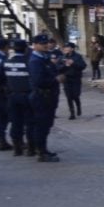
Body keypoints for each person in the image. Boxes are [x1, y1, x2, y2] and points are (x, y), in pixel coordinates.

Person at [28, 34, 60, 162]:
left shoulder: (45, 57)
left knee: (46, 125)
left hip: (48, 96)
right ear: (35, 45)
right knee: (41, 125)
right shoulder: (35, 61)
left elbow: (52, 70)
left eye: (46, 43)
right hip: (41, 97)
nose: (46, 45)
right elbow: (39, 81)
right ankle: (41, 152)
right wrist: (55, 79)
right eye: (42, 44)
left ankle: (43, 149)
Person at [1, 39, 34, 156]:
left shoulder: (6, 62)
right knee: (30, 122)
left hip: (12, 96)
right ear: (25, 49)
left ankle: (17, 147)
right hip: (26, 95)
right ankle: (31, 148)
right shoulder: (28, 62)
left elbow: (2, 78)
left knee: (16, 122)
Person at [59, 42, 87, 120]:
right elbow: (58, 68)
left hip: (76, 79)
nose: (66, 49)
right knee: (69, 97)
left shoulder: (77, 57)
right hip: (66, 79)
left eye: (67, 47)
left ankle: (78, 106)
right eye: (65, 47)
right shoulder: (62, 57)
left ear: (72, 48)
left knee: (75, 95)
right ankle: (72, 113)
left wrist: (73, 63)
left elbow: (83, 66)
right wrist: (65, 65)